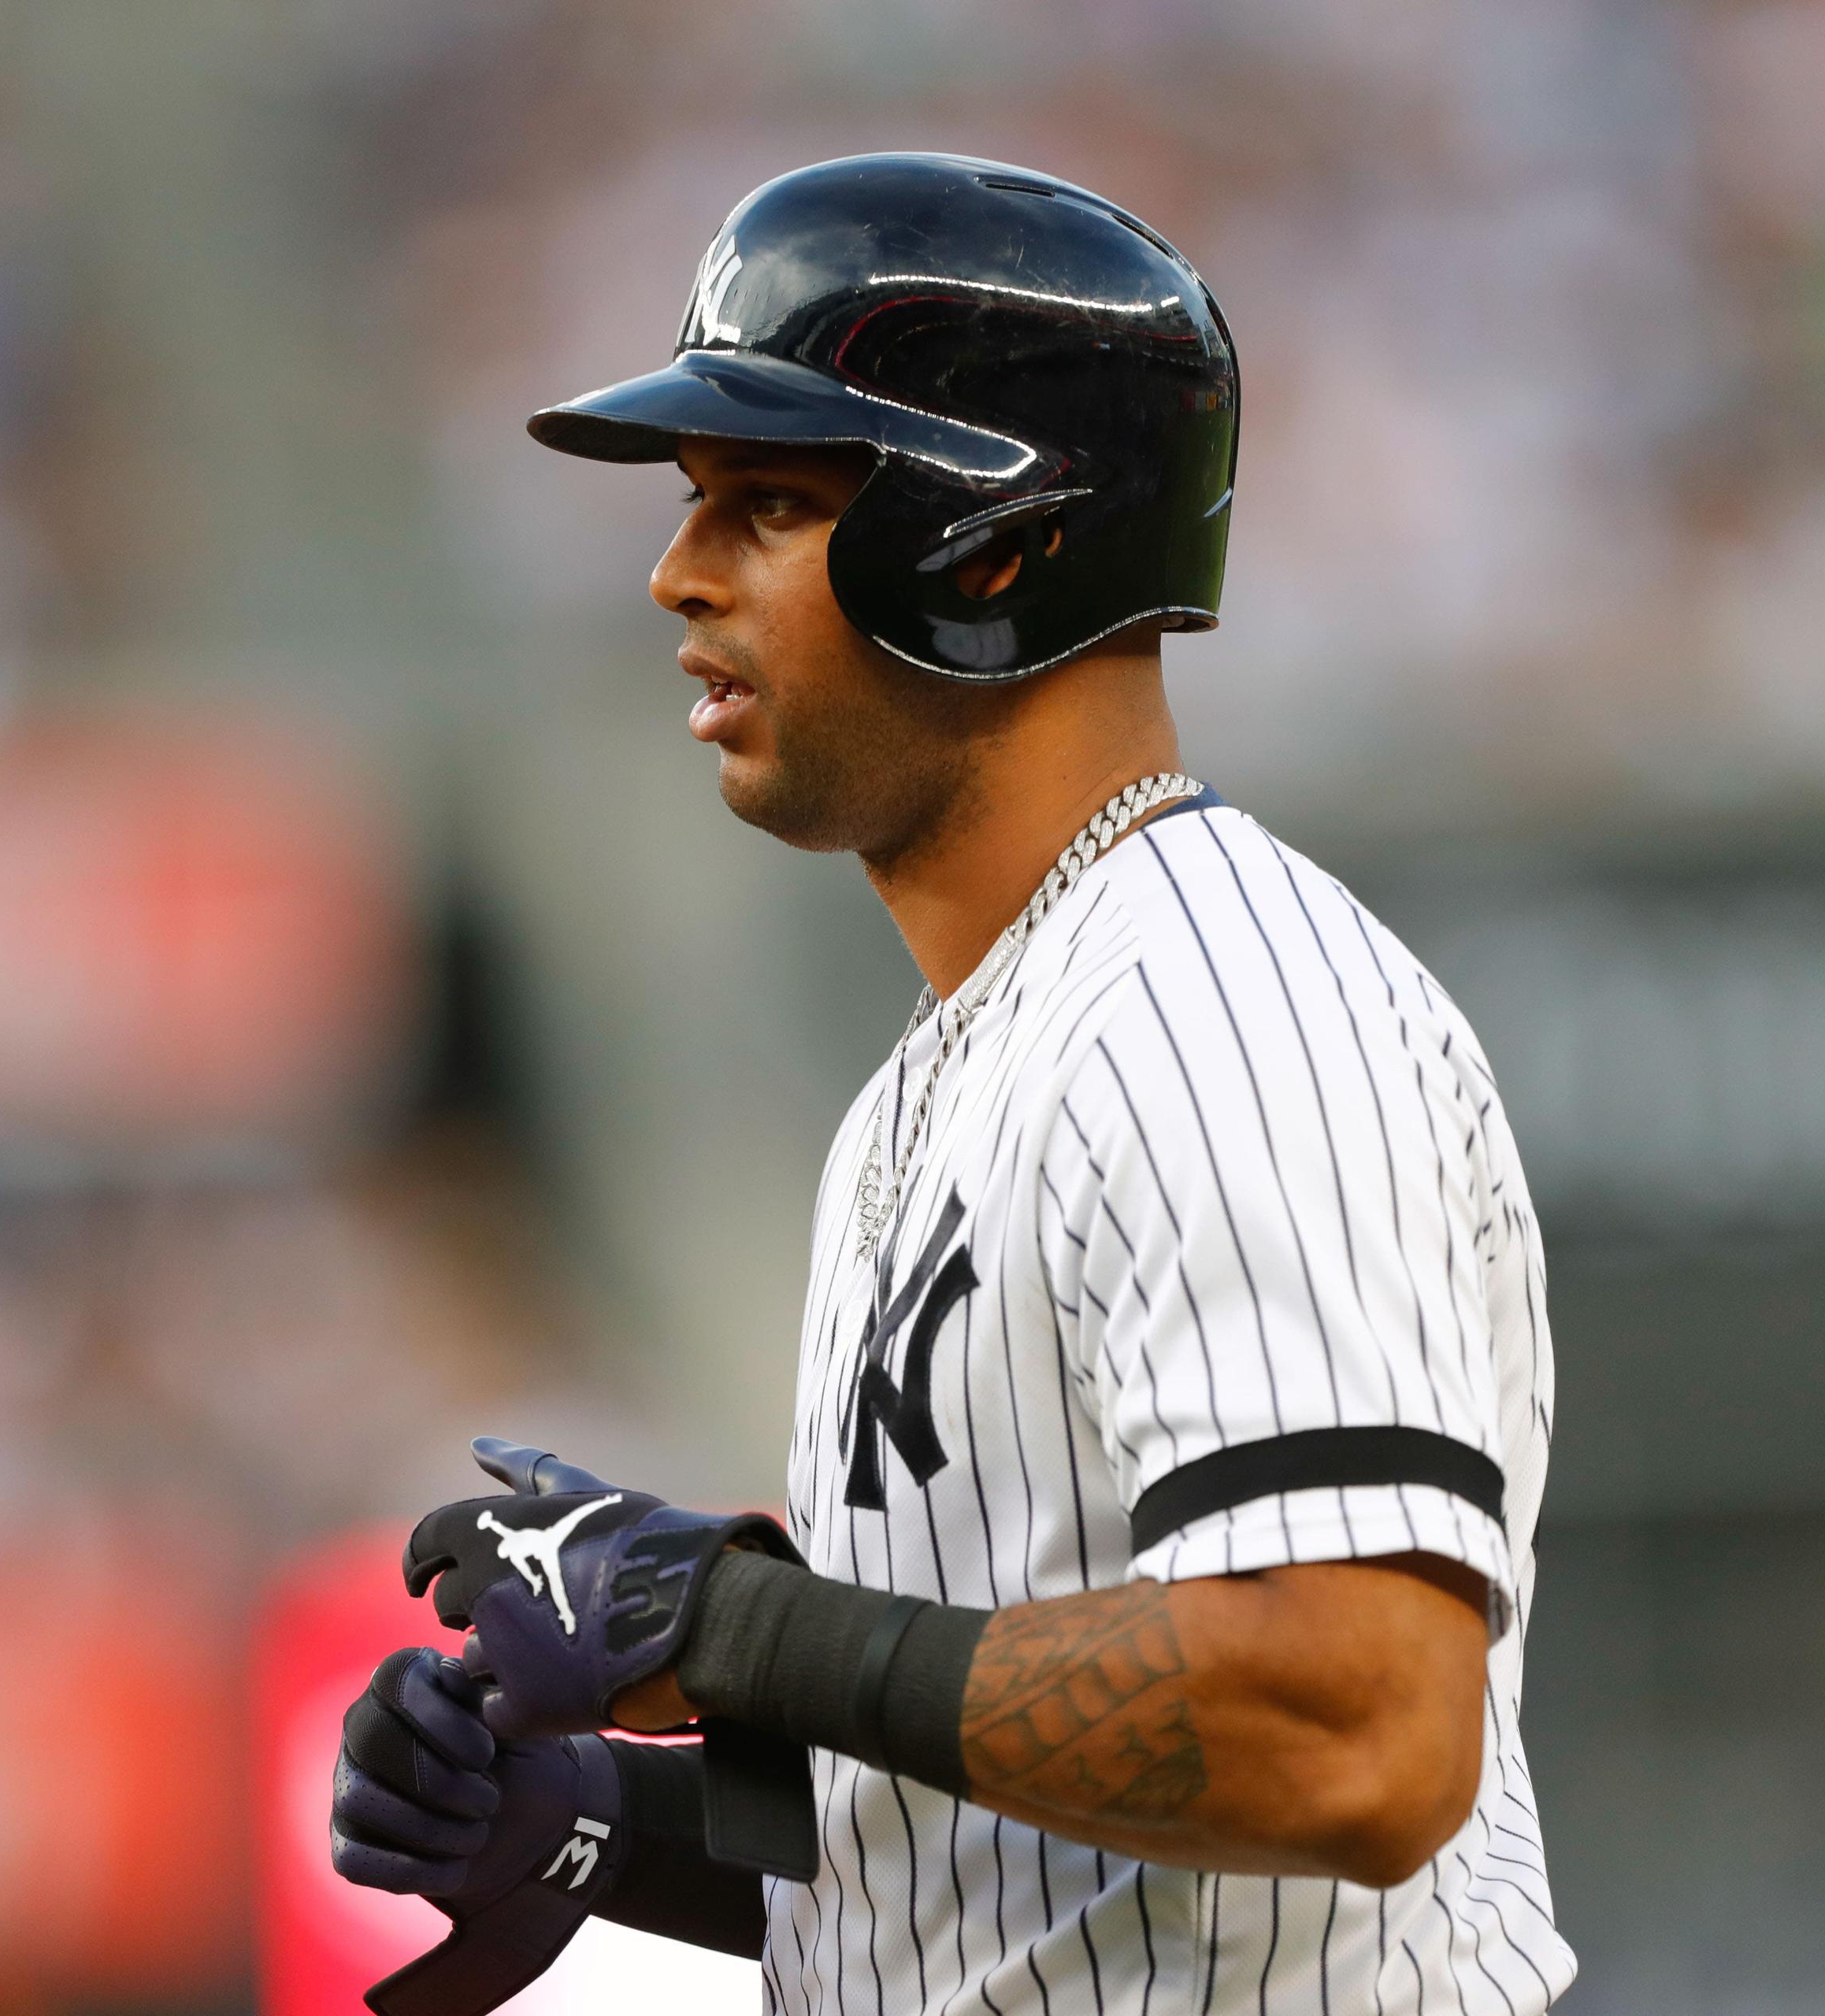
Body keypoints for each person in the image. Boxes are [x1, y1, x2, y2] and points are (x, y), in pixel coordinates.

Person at [333, 152, 1573, 2016]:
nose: (677, 574)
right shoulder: (944, 1080)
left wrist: (727, 1620)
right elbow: (998, 1871)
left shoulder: (1220, 1004)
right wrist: (598, 1815)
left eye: (763, 504)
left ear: (986, 545)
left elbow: (1360, 1727)